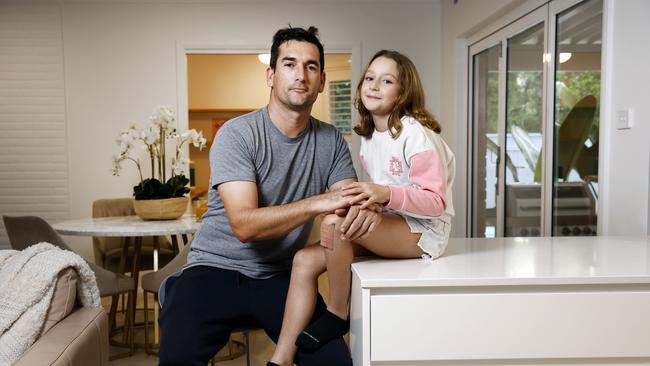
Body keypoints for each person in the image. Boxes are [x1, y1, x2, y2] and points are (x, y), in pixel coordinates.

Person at [157, 26, 381, 366]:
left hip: (281, 277)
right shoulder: (238, 134)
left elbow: (348, 209)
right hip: (213, 269)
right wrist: (318, 202)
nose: (301, 75)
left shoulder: (331, 141)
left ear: (321, 81)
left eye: (311, 66)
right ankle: (178, 292)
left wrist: (370, 205)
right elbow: (245, 226)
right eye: (290, 64)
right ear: (271, 75)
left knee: (333, 360)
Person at [269, 50, 455, 366]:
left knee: (333, 224)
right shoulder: (369, 136)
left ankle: (338, 313)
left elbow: (436, 203)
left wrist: (382, 195)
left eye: (386, 81)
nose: (373, 85)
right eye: (369, 78)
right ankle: (282, 357)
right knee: (303, 261)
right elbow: (383, 196)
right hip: (391, 223)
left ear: (402, 92)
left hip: (423, 231)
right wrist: (371, 202)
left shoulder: (416, 135)